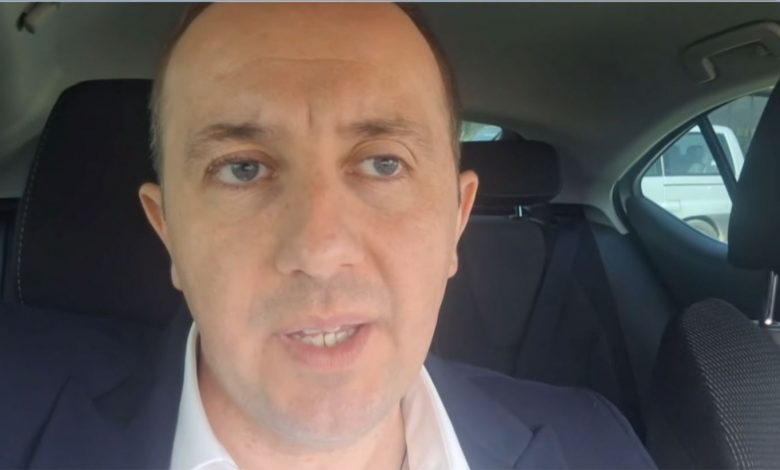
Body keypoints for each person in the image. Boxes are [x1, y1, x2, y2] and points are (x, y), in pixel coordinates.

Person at [0, 4, 655, 469]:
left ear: (456, 220)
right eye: (243, 169)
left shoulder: (596, 448)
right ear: (167, 230)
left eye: (384, 163)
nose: (318, 252)